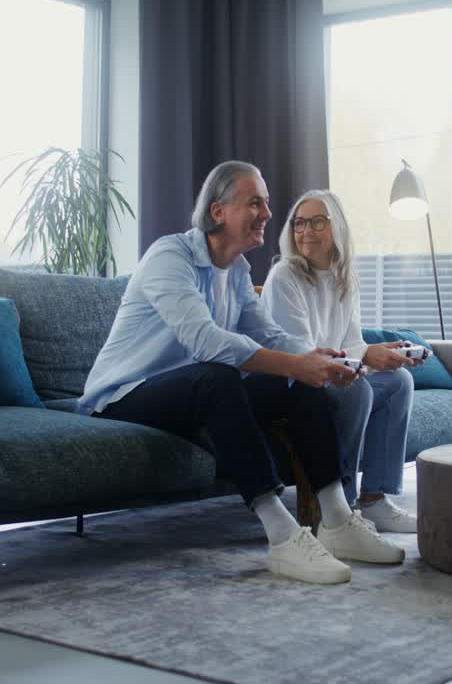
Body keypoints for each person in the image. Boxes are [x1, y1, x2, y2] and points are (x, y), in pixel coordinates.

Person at [78, 161, 404, 585]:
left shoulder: (236, 271)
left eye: (266, 203)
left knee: (299, 383)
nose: (269, 214)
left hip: (195, 391)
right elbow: (206, 342)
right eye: (255, 202)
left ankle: (338, 520)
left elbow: (269, 334)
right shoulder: (169, 256)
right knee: (220, 375)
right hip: (125, 395)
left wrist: (318, 362)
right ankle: (283, 535)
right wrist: (297, 362)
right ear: (218, 212)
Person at [262, 190, 419, 533]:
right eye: (299, 223)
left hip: (335, 374)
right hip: (297, 383)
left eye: (318, 221)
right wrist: (363, 358)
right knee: (358, 391)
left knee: (398, 383)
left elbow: (351, 343)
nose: (306, 231)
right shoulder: (284, 276)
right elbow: (302, 352)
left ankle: (375, 500)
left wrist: (379, 355)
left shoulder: (344, 277)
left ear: (337, 228)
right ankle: (340, 509)